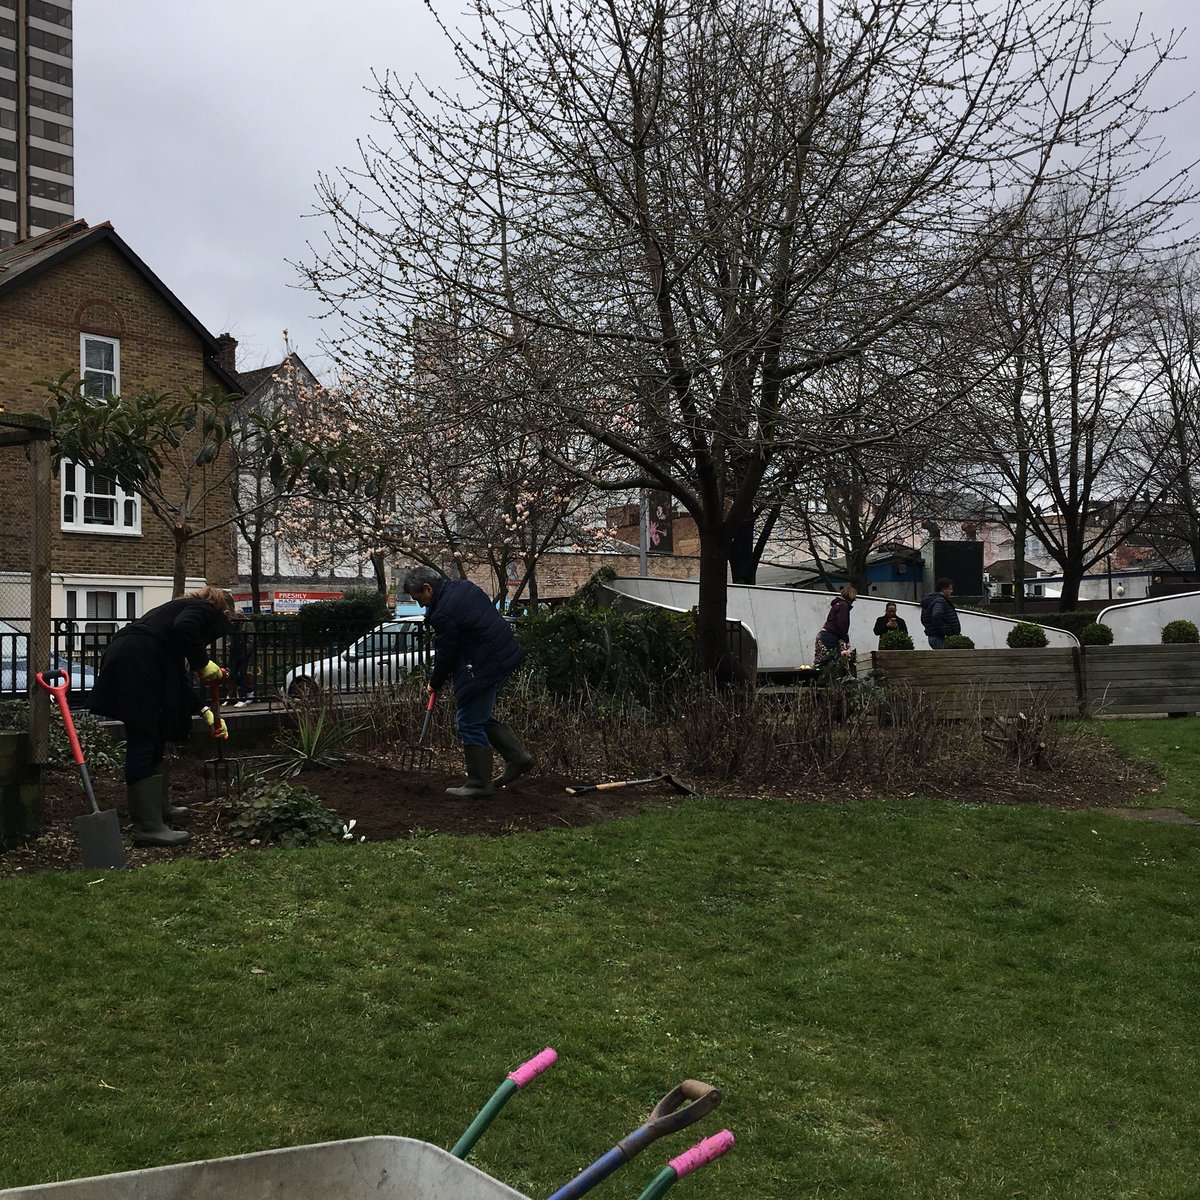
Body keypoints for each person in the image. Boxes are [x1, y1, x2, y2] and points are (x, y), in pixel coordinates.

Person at [88, 585, 233, 846]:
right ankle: (148, 827)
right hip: (136, 663)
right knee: (144, 735)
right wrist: (203, 663)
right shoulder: (201, 608)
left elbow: (177, 680)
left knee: (155, 734)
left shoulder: (169, 623)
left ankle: (159, 808)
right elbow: (186, 629)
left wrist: (205, 712)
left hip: (133, 658)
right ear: (219, 610)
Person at [403, 566, 534, 797]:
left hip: (485, 664)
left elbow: (447, 653)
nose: (421, 605)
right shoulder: (461, 586)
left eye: (419, 598)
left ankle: (479, 784)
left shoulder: (442, 611)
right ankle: (518, 759)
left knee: (469, 721)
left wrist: (435, 682)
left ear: (428, 588)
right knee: (479, 715)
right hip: (504, 655)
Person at [813, 584, 856, 669]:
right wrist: (846, 639)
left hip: (823, 635)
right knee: (835, 663)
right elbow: (842, 625)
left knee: (822, 662)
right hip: (831, 636)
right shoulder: (844, 606)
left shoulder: (837, 605)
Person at [227, 609, 257, 707]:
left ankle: (243, 698)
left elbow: (251, 639)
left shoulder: (247, 623)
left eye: (235, 615)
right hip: (235, 652)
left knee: (242, 674)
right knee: (233, 674)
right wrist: (229, 646)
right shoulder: (234, 624)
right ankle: (249, 691)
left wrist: (246, 651)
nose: (234, 617)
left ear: (240, 615)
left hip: (243, 652)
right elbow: (231, 638)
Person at [921, 577, 961, 649]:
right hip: (939, 638)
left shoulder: (933, 600)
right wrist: (943, 633)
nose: (952, 591)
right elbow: (936, 616)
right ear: (943, 588)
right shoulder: (939, 601)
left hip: (935, 636)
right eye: (950, 589)